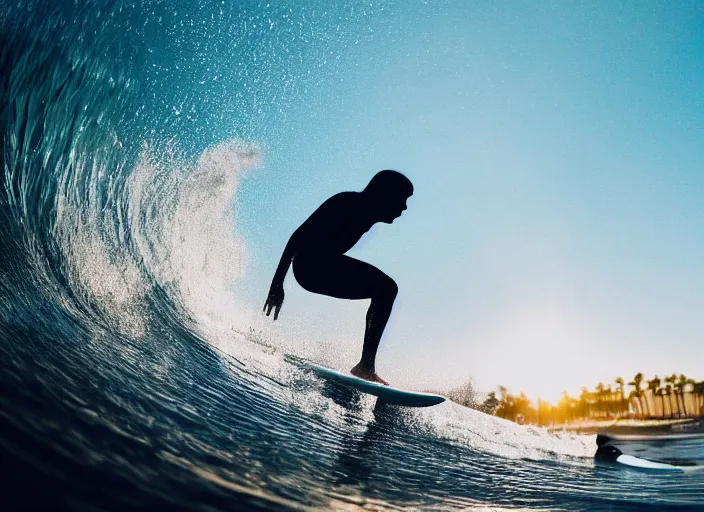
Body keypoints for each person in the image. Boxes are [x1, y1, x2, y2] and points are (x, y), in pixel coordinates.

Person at [263, 170, 414, 385]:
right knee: (387, 288)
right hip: (310, 267)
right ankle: (366, 366)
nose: (405, 207)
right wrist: (277, 283)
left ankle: (365, 365)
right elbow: (298, 236)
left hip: (323, 265)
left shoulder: (366, 212)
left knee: (386, 290)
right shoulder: (347, 203)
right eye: (403, 199)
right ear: (386, 195)